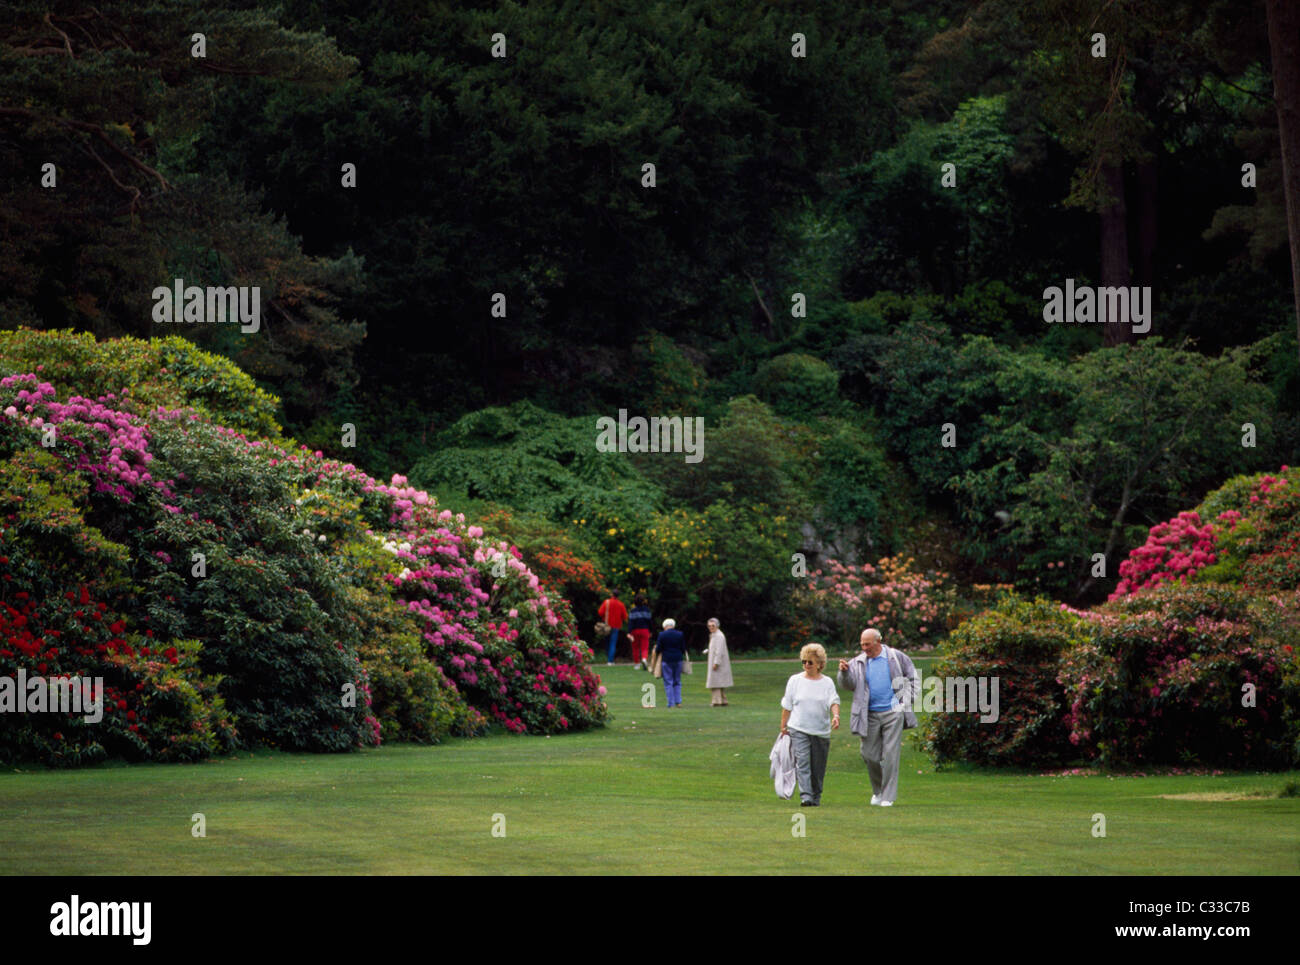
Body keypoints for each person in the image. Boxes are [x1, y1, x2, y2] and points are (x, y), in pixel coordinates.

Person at [837, 627, 917, 807]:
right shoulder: (857, 662)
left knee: (890, 754)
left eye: (868, 644)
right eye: (862, 644)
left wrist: (906, 699)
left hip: (893, 712)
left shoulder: (896, 656)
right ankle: (879, 791)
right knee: (869, 754)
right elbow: (848, 685)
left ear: (878, 642)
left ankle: (888, 796)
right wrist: (844, 672)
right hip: (869, 714)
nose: (864, 648)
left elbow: (913, 676)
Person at [779, 643, 840, 806]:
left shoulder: (827, 682)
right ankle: (806, 796)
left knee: (818, 767)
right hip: (798, 728)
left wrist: (836, 716)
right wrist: (783, 726)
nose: (806, 665)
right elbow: (787, 705)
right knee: (803, 762)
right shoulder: (795, 680)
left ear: (820, 664)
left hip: (820, 731)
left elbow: (833, 701)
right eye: (804, 661)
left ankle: (816, 796)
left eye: (810, 662)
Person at [653, 618, 687, 708]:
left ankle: (670, 703)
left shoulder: (662, 635)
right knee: (677, 681)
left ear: (664, 626)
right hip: (678, 659)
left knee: (668, 681)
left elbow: (658, 649)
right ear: (673, 625)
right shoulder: (680, 634)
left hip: (667, 660)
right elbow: (683, 648)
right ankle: (678, 701)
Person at [705, 617, 732, 706]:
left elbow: (719, 651)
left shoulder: (719, 636)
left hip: (718, 663)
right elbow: (714, 648)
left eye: (713, 626)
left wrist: (716, 663)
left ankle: (716, 701)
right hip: (715, 661)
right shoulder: (714, 635)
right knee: (718, 682)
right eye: (709, 626)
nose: (711, 627)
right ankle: (723, 700)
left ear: (717, 626)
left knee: (715, 682)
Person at [596, 590, 628, 666]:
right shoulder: (621, 604)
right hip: (616, 626)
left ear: (612, 594)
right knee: (613, 643)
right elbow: (625, 616)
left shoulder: (607, 602)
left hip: (607, 626)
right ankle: (610, 660)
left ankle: (608, 658)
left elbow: (600, 612)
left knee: (607, 642)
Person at [628, 594, 653, 670]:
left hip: (635, 631)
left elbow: (631, 622)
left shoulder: (632, 611)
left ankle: (637, 664)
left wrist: (629, 632)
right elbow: (650, 622)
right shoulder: (647, 610)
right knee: (644, 647)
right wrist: (651, 631)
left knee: (635, 648)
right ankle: (644, 659)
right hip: (645, 630)